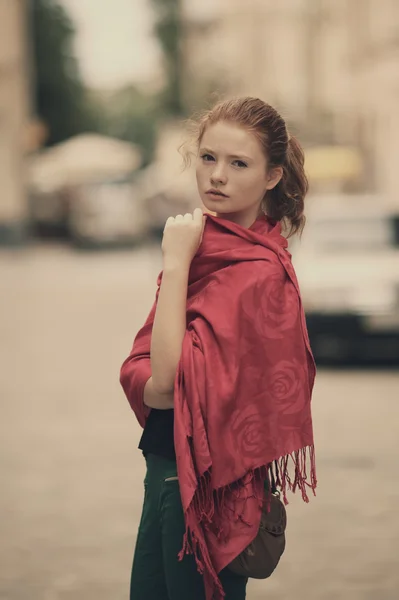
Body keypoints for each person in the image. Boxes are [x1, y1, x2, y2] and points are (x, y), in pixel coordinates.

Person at [120, 96, 317, 600]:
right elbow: (150, 364)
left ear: (272, 176)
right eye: (208, 158)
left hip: (209, 491)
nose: (217, 177)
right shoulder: (205, 245)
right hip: (164, 471)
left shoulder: (256, 272)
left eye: (239, 163)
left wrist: (176, 262)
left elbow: (164, 385)